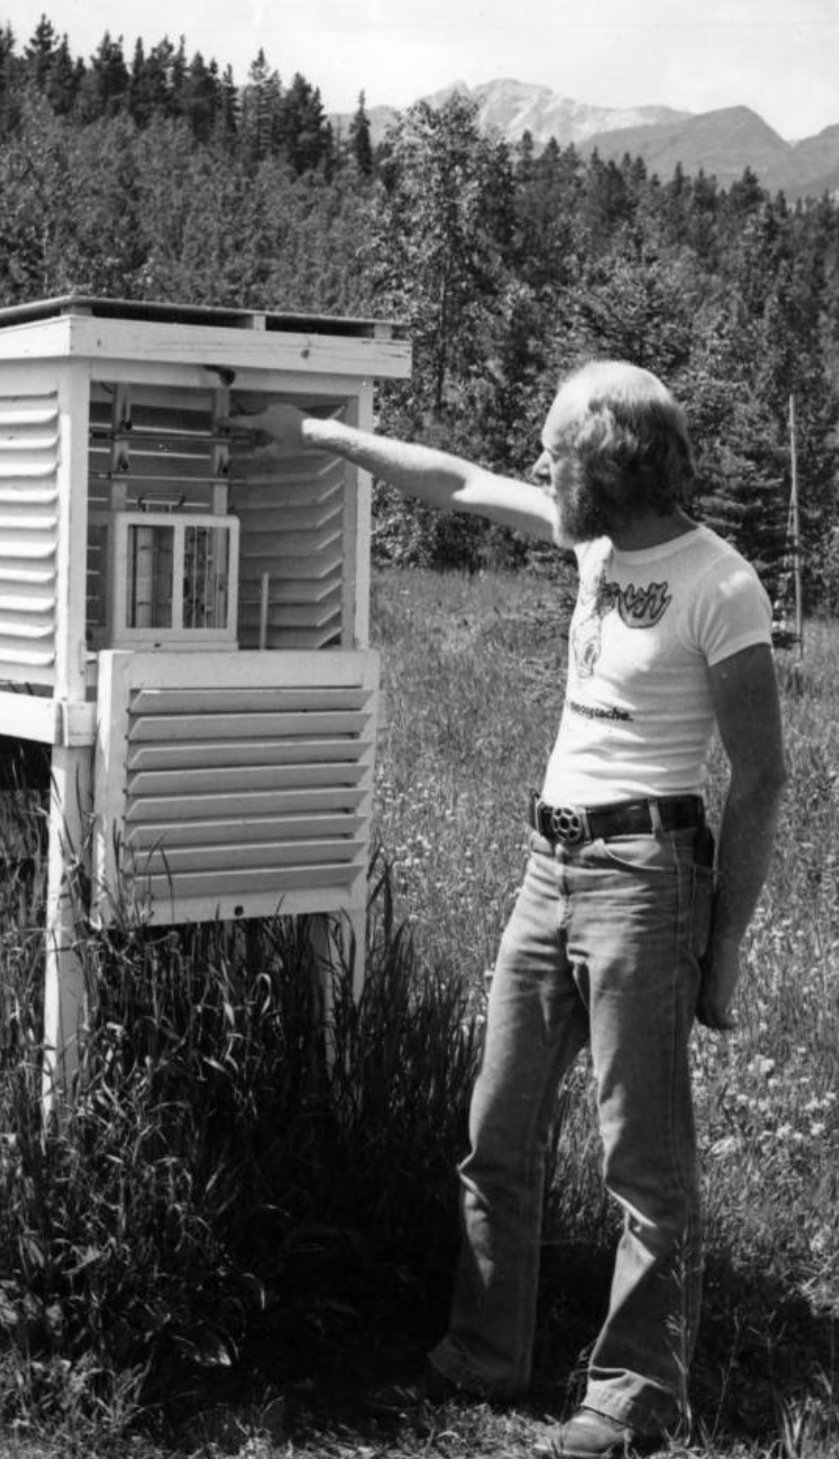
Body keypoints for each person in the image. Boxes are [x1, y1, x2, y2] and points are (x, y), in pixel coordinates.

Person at [242, 361, 786, 1459]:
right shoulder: (589, 538)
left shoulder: (721, 586)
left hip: (649, 878)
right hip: (550, 868)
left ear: (611, 460)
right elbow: (454, 480)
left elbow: (762, 777)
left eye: (557, 449)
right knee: (498, 1127)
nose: (541, 465)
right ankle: (487, 1357)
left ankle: (633, 1398)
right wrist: (313, 428)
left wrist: (721, 954)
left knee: (643, 1159)